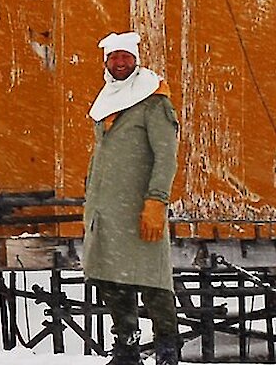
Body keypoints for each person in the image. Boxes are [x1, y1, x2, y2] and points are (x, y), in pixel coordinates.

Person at [82, 32, 181, 365]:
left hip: (140, 208)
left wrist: (157, 200)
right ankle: (127, 347)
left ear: (135, 59)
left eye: (125, 57)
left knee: (153, 280)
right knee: (111, 279)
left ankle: (167, 348)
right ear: (106, 62)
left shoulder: (154, 101)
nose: (120, 63)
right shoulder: (107, 97)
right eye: (114, 58)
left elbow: (166, 156)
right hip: (106, 211)